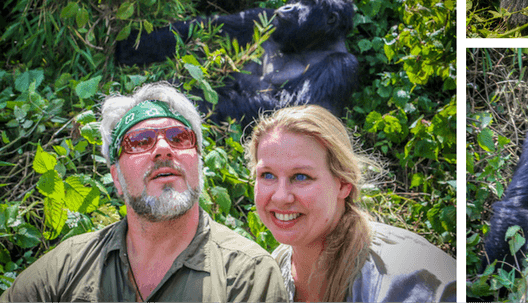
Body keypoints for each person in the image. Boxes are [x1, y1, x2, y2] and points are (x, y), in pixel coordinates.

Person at [1, 82, 288, 302]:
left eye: (179, 137)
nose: (164, 149)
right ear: (116, 176)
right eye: (140, 141)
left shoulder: (247, 274)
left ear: (198, 163)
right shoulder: (68, 265)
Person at [244, 104, 457, 303]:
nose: (281, 197)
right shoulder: (272, 271)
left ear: (344, 184)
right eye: (267, 175)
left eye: (301, 177)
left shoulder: (408, 278)